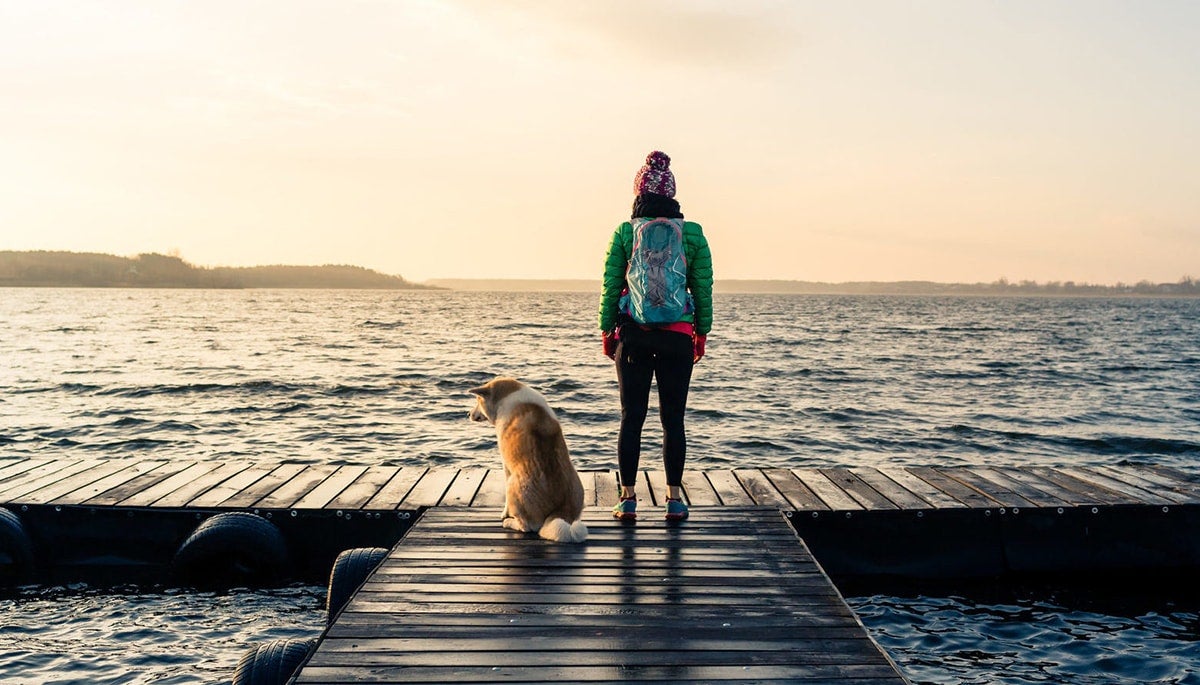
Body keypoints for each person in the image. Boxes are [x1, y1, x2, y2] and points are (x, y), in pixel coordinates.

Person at [597, 150, 713, 522]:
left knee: (632, 417)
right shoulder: (692, 234)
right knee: (673, 419)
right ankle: (674, 499)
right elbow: (703, 287)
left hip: (635, 334)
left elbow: (612, 283)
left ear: (639, 193)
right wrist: (701, 332)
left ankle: (628, 499)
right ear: (673, 195)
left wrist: (606, 329)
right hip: (678, 336)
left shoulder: (625, 232)